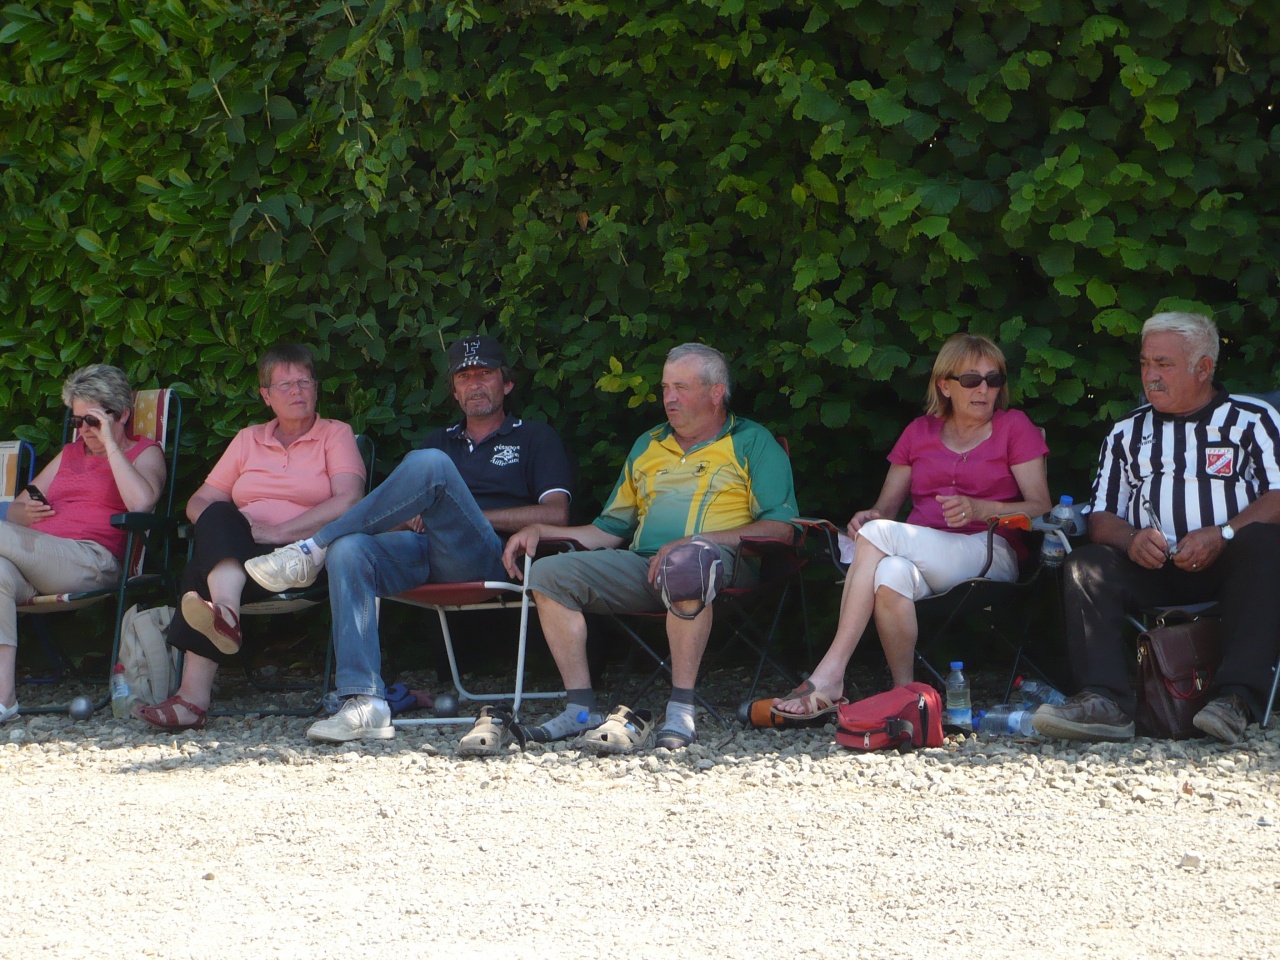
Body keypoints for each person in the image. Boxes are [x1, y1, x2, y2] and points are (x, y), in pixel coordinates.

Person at [246, 334, 573, 743]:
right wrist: (413, 516)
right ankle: (364, 701)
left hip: (489, 554)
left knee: (431, 466)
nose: (474, 384)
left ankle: (312, 547)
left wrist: (458, 510)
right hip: (423, 552)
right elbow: (397, 516)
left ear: (506, 384)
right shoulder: (440, 439)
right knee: (350, 550)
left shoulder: (534, 437)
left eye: (485, 374)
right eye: (464, 377)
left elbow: (556, 513)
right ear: (454, 391)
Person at [499, 342, 799, 753]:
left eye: (681, 388)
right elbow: (608, 530)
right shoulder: (648, 444)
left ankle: (681, 709)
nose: (669, 398)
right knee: (550, 574)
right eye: (665, 388)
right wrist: (538, 529)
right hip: (643, 567)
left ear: (716, 392)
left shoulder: (752, 441)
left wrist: (694, 542)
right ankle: (580, 710)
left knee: (687, 563)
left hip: (722, 566)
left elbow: (782, 529)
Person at [771, 333, 1050, 720]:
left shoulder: (1013, 427)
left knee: (881, 540)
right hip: (924, 555)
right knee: (890, 573)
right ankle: (905, 695)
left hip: (990, 552)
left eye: (994, 379)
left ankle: (831, 673)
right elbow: (884, 510)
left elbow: (1041, 506)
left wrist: (981, 509)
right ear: (945, 385)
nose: (984, 390)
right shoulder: (919, 432)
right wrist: (866, 518)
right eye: (972, 380)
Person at [1033, 312, 1280, 744]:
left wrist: (1223, 533)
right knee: (1086, 565)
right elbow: (1101, 516)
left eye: (1163, 364)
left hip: (1231, 562)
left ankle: (1236, 699)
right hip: (1152, 564)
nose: (1150, 376)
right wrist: (1130, 540)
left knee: (1265, 543)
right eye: (1146, 363)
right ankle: (1105, 701)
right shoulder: (1126, 431)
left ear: (1203, 368)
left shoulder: (1252, 420)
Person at [133, 344, 367, 732]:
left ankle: (193, 697)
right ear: (266, 396)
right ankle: (224, 612)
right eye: (285, 384)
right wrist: (227, 527)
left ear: (316, 387)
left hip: (300, 557)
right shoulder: (247, 439)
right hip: (244, 556)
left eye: (304, 381)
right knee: (215, 517)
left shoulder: (335, 434)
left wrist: (277, 532)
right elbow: (200, 500)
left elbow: (350, 500)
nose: (297, 391)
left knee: (203, 566)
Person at [0, 364, 167, 722]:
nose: (83, 430)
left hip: (91, 561)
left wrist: (111, 445)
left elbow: (141, 503)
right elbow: (13, 512)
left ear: (121, 415)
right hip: (39, 558)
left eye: (92, 421)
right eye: (77, 421)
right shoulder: (70, 453)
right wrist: (26, 512)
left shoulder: (144, 453)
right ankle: (4, 700)